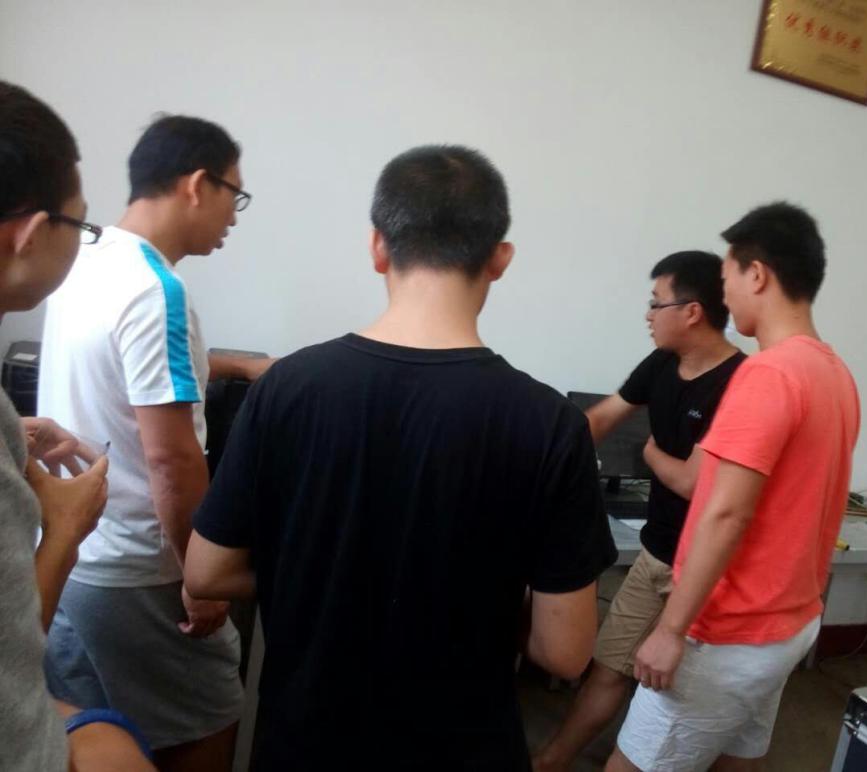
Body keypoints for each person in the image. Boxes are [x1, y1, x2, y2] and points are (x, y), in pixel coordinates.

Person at [184, 144, 617, 770]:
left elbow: (205, 572)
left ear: (378, 248)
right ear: (500, 259)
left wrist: (325, 572)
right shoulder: (550, 424)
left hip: (305, 746)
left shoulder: (287, 388)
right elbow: (566, 651)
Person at [38, 114, 272, 771]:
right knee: (208, 722)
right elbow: (171, 458)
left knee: (92, 740)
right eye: (235, 194)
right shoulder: (156, 290)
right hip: (141, 574)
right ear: (198, 184)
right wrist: (201, 575)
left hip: (72, 556)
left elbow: (128, 373)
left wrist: (238, 364)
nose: (233, 217)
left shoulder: (82, 260)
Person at [607, 203, 861, 772]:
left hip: (727, 631)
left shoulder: (765, 374)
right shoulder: (835, 373)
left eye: (727, 280)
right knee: (735, 760)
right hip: (788, 624)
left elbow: (726, 513)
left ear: (758, 275)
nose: (725, 298)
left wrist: (672, 630)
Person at [534, 252, 744, 771]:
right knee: (608, 666)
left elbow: (694, 482)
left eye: (656, 303)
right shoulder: (662, 363)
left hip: (705, 569)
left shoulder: (739, 383)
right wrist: (542, 470)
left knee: (687, 701)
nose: (648, 315)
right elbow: (602, 418)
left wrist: (649, 453)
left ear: (691, 311)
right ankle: (551, 761)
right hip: (656, 551)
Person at [0, 79, 153, 772]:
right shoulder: (155, 290)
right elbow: (10, 661)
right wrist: (64, 527)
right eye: (82, 227)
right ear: (31, 234)